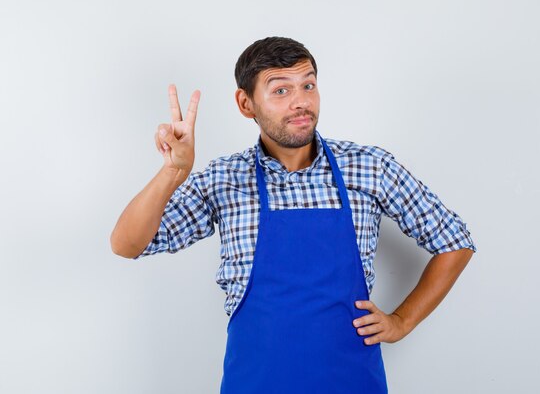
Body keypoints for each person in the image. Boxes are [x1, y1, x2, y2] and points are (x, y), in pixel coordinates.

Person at [110, 36, 477, 393]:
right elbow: (127, 244)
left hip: (352, 383)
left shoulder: (369, 167)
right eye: (281, 90)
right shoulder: (224, 179)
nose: (301, 102)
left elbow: (455, 242)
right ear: (246, 103)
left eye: (309, 85)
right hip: (255, 384)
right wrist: (173, 172)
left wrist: (402, 321)